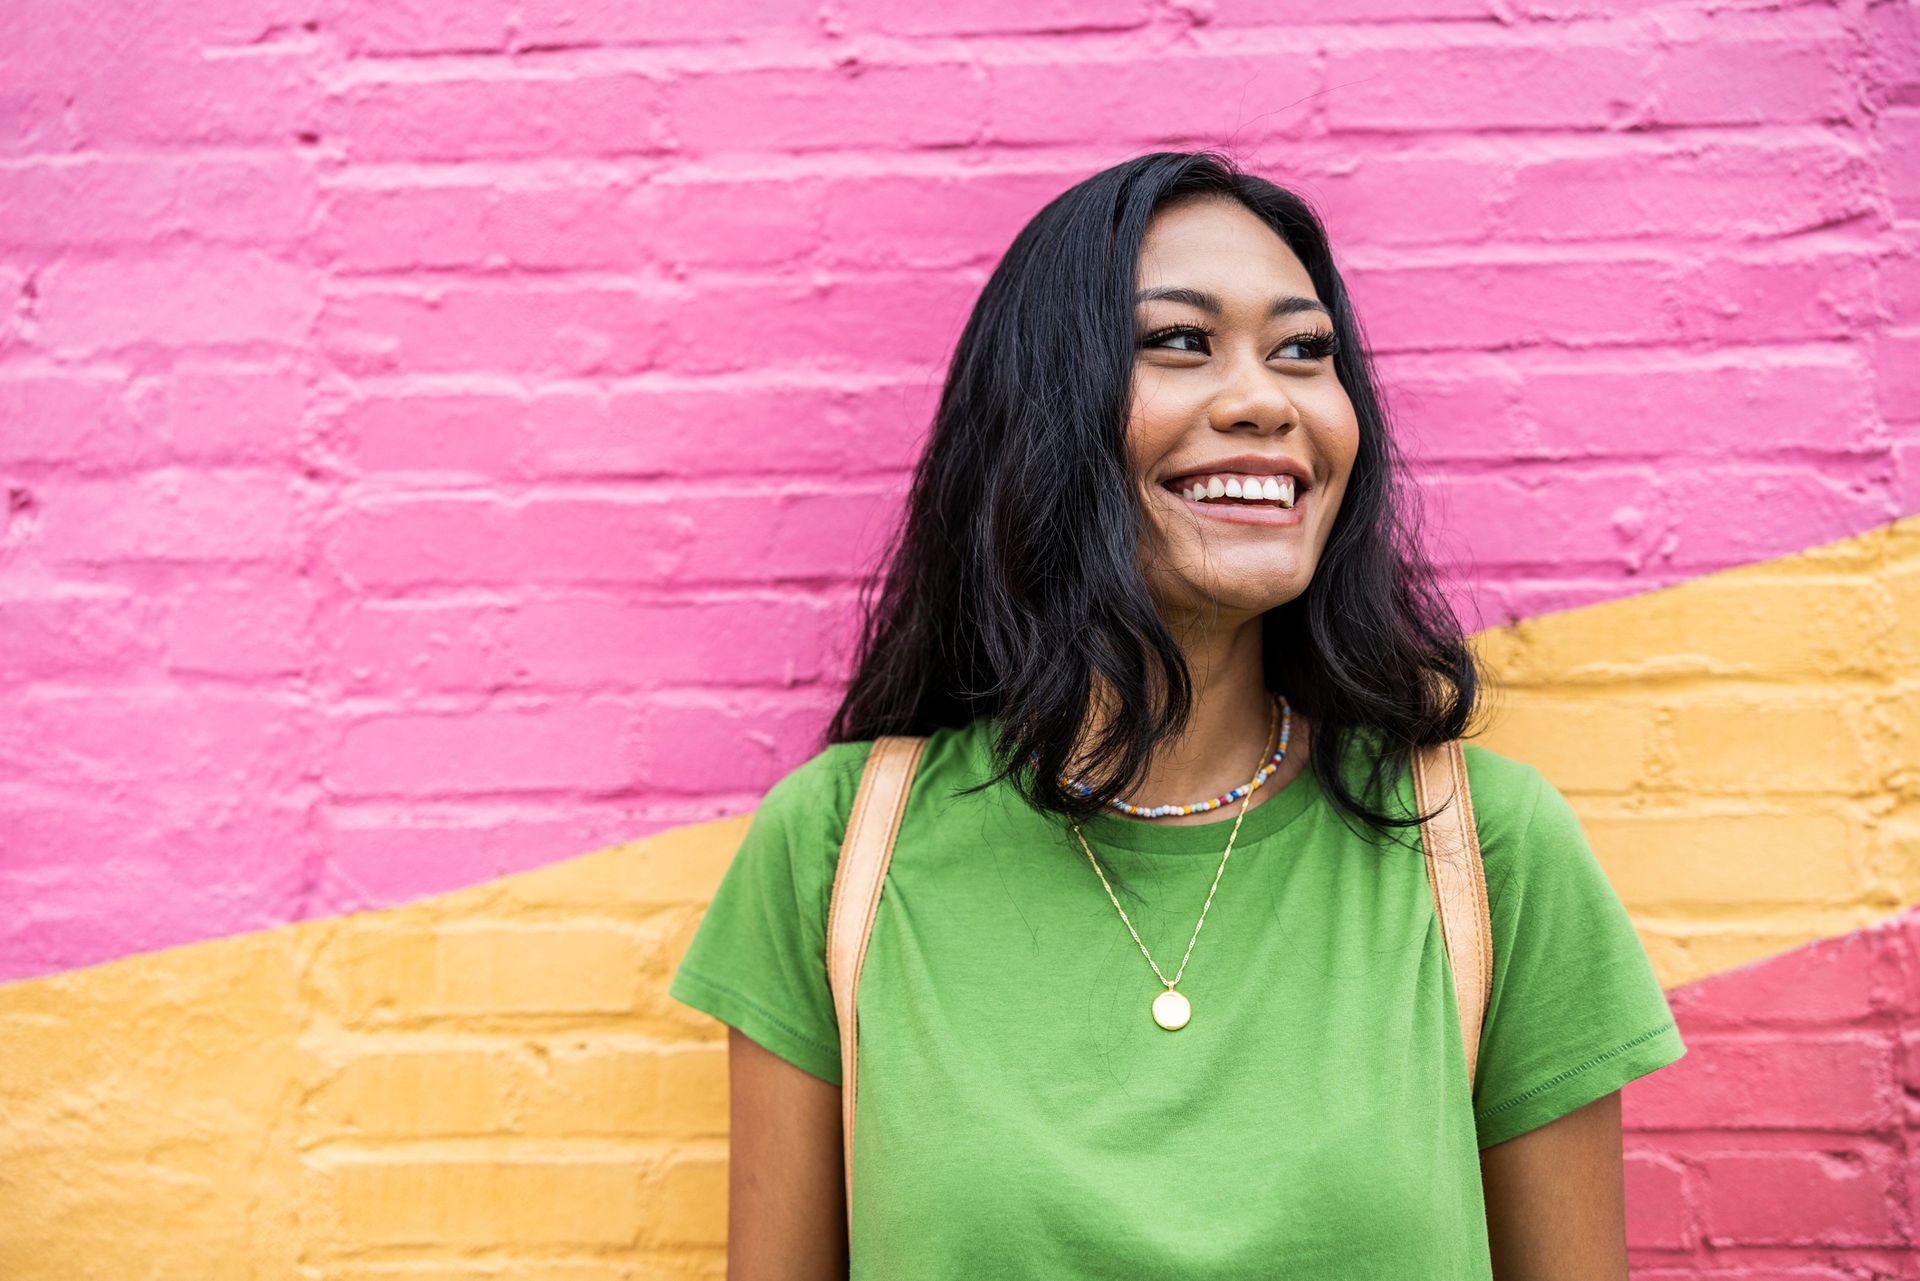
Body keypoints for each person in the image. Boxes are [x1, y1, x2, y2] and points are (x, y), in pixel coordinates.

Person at [668, 150, 1686, 1279]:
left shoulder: (1485, 850)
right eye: (1179, 342)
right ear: (1044, 411)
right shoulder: (838, 851)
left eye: (1305, 352)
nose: (1264, 400)